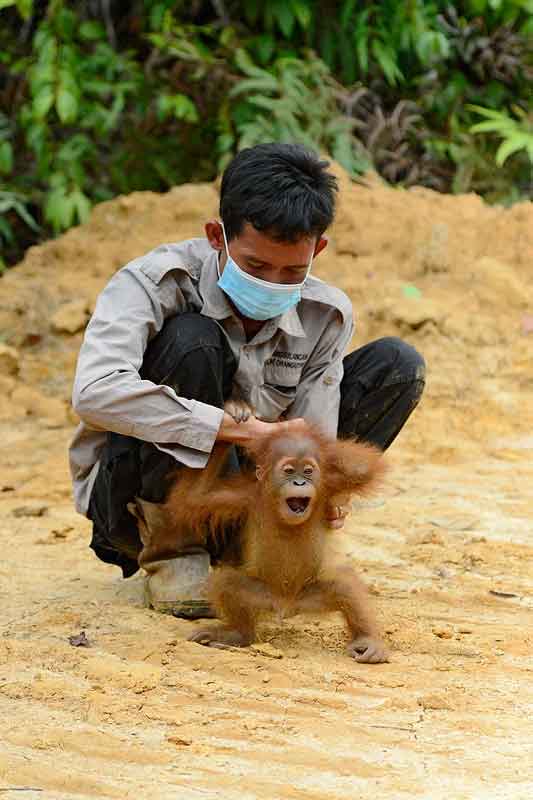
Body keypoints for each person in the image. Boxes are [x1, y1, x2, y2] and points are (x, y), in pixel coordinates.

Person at [69, 142, 425, 619]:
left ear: (318, 249)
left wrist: (326, 488)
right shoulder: (155, 283)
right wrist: (234, 429)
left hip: (252, 500)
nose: (274, 282)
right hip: (136, 501)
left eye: (293, 270)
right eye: (256, 266)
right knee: (192, 339)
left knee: (397, 365)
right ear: (217, 236)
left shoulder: (327, 313)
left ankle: (262, 552)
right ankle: (173, 555)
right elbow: (94, 393)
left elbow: (315, 434)